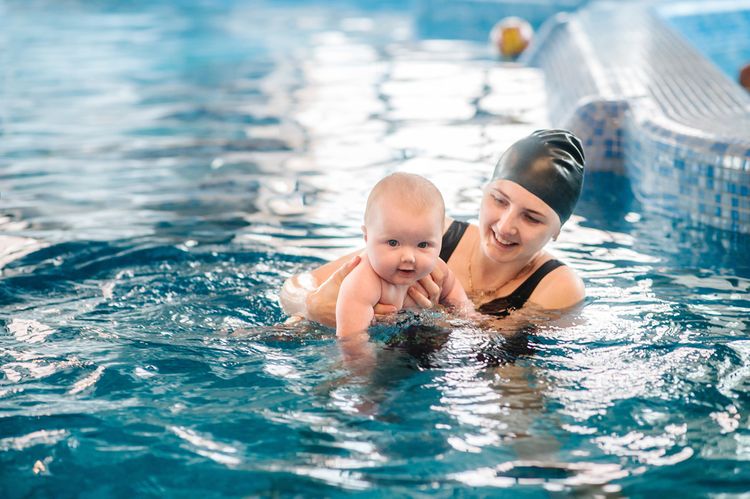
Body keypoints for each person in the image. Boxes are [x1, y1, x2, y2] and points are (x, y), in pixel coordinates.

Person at [280, 129, 585, 327]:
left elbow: (493, 356)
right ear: (484, 192)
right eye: (499, 200)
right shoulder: (428, 237)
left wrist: (432, 317)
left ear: (558, 230)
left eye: (531, 218)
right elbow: (295, 286)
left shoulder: (557, 285)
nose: (505, 227)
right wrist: (313, 305)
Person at [334, 173, 470, 338]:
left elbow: (454, 292)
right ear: (367, 237)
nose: (409, 257)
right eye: (393, 243)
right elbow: (352, 341)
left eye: (422, 245)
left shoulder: (436, 269)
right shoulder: (363, 282)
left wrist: (468, 316)